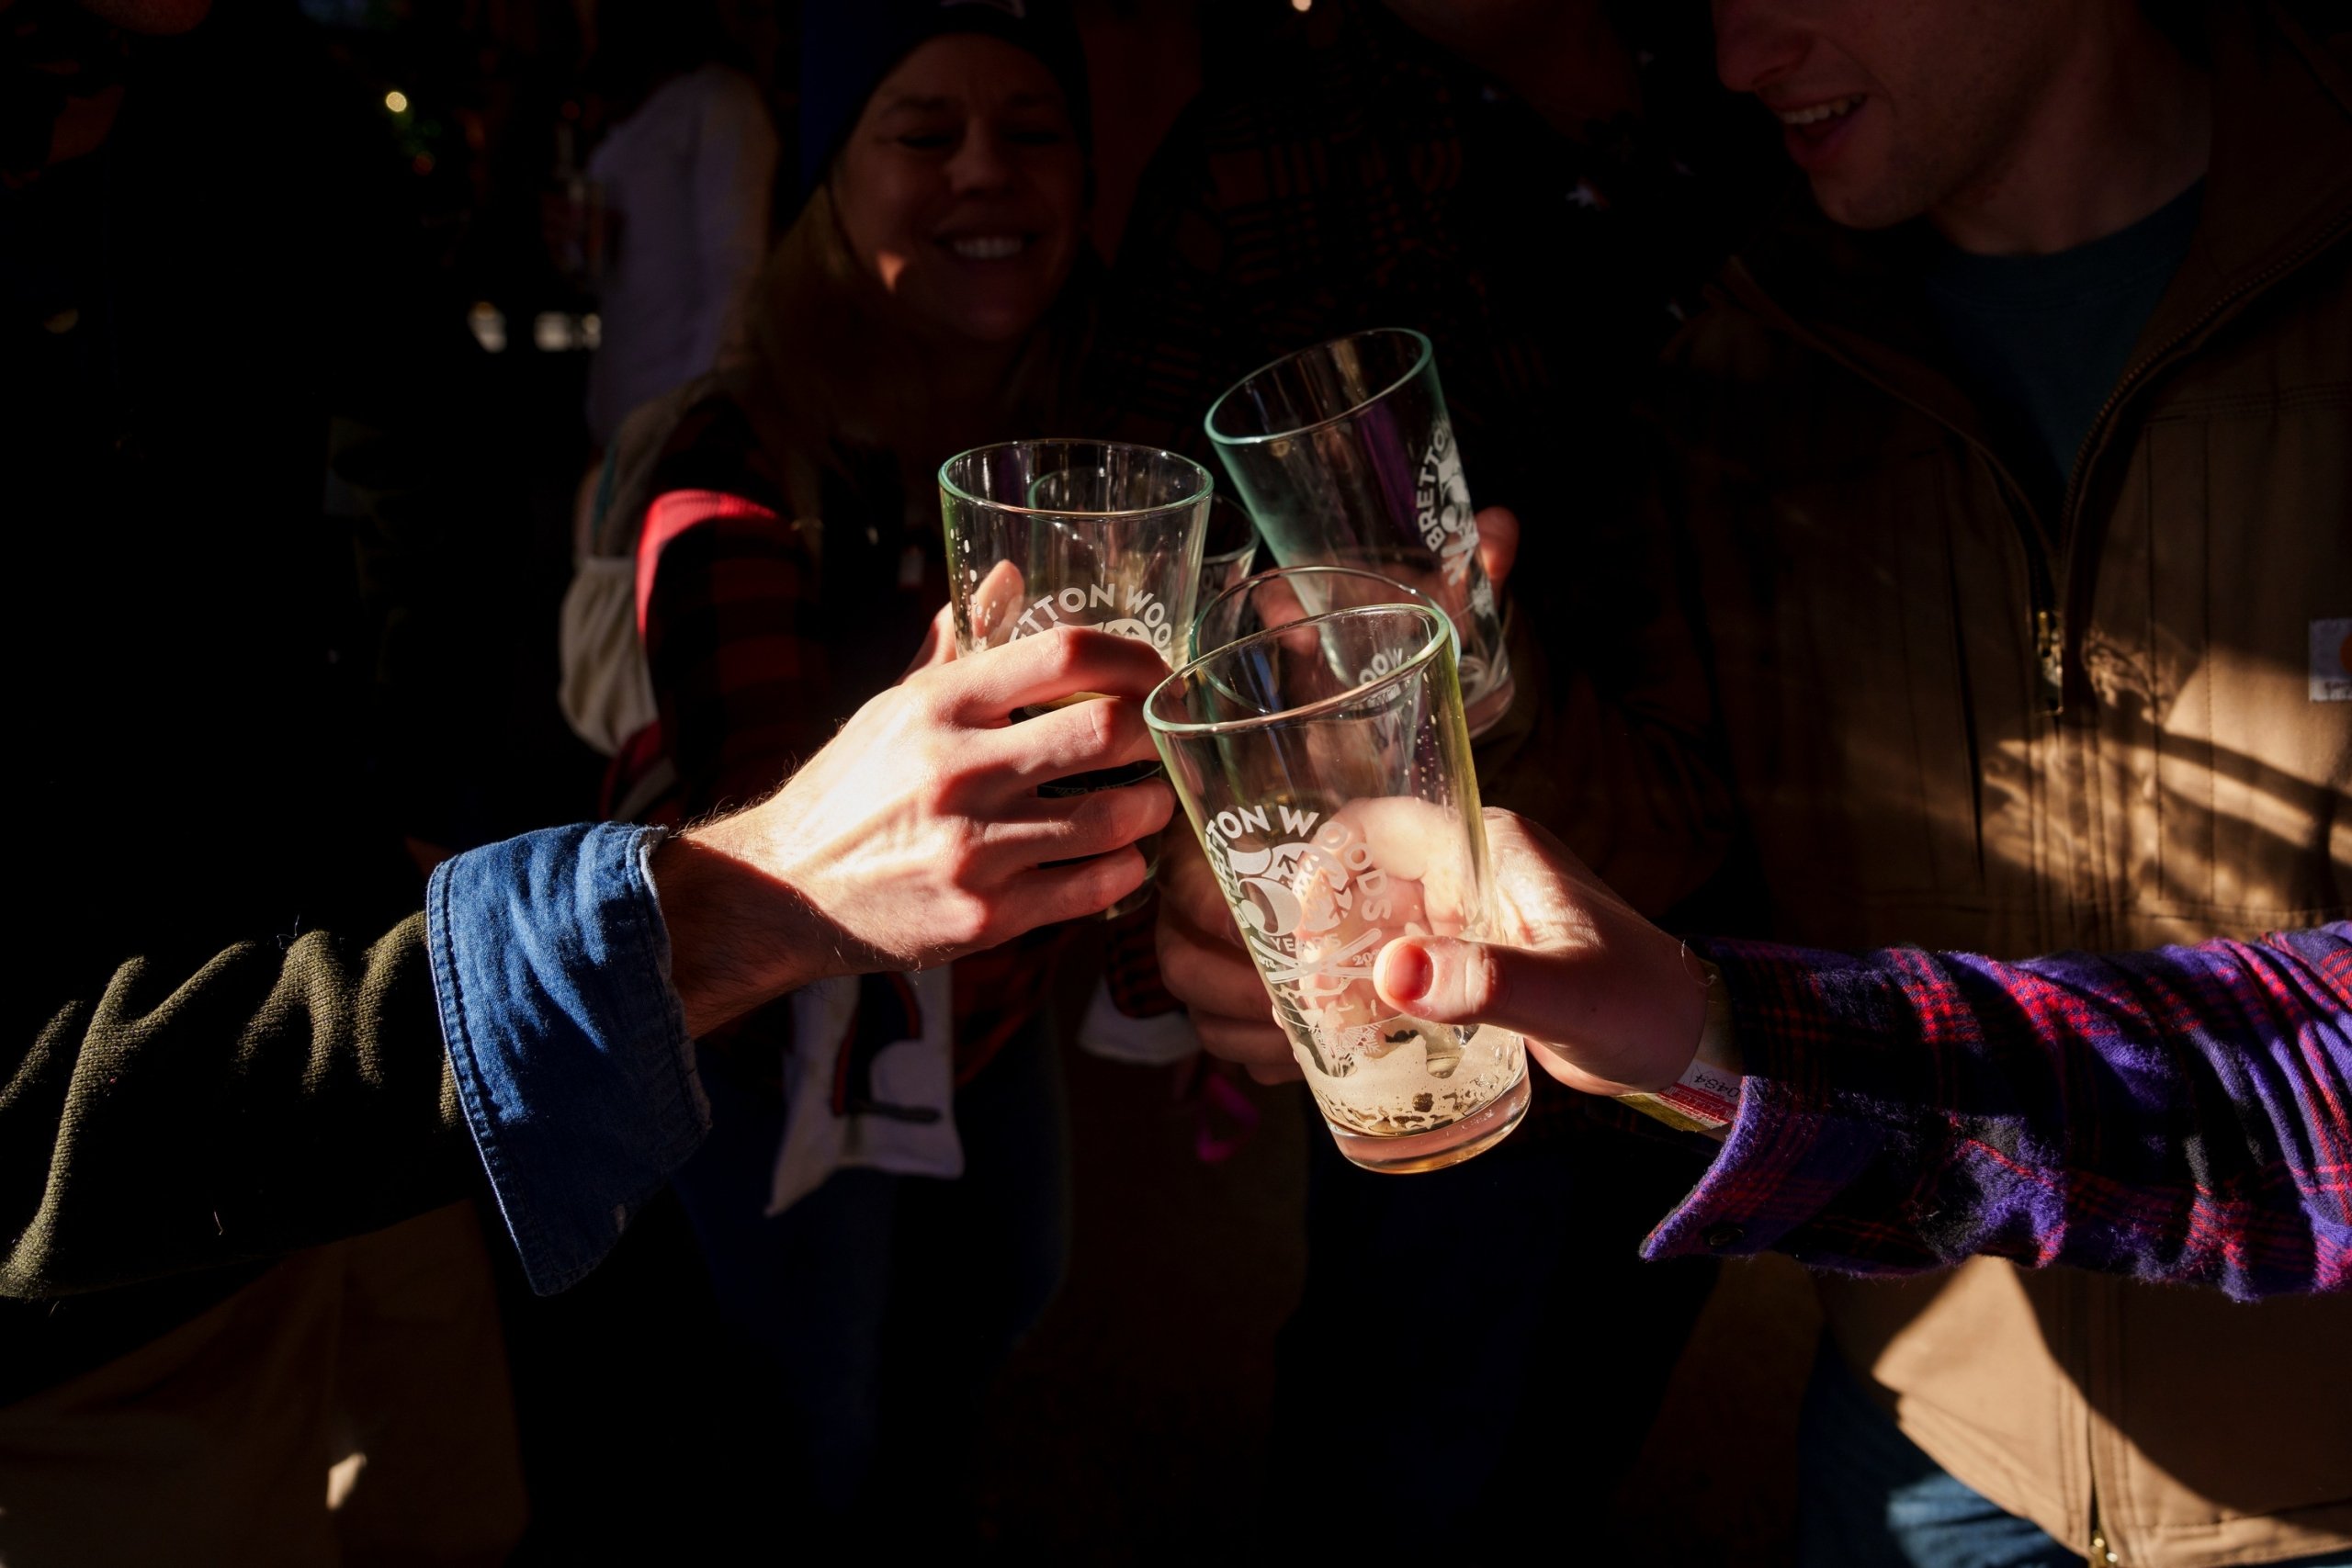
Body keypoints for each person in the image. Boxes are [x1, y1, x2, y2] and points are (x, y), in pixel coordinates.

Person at [1164, 0, 2352, 1562]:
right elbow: (1684, 824)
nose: (1734, 52)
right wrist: (1468, 752)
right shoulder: (1749, 349)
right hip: (1935, 1441)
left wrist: (1712, 1027)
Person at [1101, 1, 1770, 1548]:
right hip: (1460, 926)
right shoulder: (1272, 143)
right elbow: (1137, 571)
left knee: (1607, 1386)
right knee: (1413, 1428)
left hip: (1745, 862)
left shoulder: (1735, 69)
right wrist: (1195, 875)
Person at [616, 0, 1170, 1543]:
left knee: (994, 1299)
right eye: (924, 134)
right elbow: (780, 854)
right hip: (776, 1042)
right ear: (831, 182)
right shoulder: (740, 462)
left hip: (988, 1022)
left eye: (1034, 129)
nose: (986, 171)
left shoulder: (1106, 446)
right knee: (813, 1407)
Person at [1172, 807, 2351, 1298]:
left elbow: (2292, 1095)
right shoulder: (1762, 333)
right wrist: (1698, 1028)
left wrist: (1707, 1024)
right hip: (1927, 1396)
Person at [572, 0, 778, 449]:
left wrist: (696, 417)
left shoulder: (720, 102)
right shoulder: (634, 116)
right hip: (623, 413)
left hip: (677, 424)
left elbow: (737, 271)